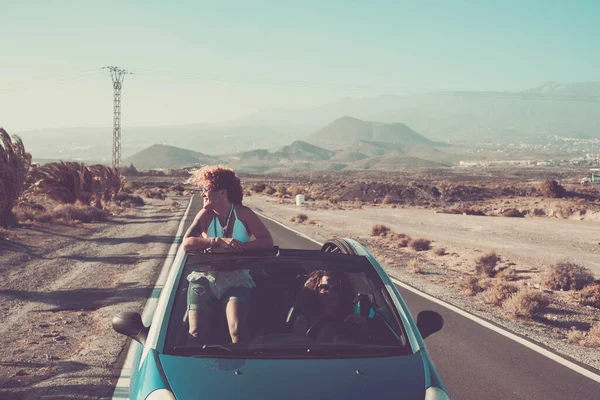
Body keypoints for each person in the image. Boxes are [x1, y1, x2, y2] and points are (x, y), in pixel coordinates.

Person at [182, 165, 274, 344]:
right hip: (205, 277)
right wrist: (217, 241)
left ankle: (242, 366)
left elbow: (266, 241)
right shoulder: (205, 215)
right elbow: (186, 243)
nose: (202, 194)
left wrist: (238, 247)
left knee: (237, 330)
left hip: (236, 277)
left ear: (222, 193)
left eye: (206, 189)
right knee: (195, 332)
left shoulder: (243, 213)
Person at [292, 270, 368, 342]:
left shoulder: (353, 322)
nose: (330, 292)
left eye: (336, 288)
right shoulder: (304, 322)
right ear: (315, 290)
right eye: (324, 287)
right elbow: (298, 352)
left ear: (343, 291)